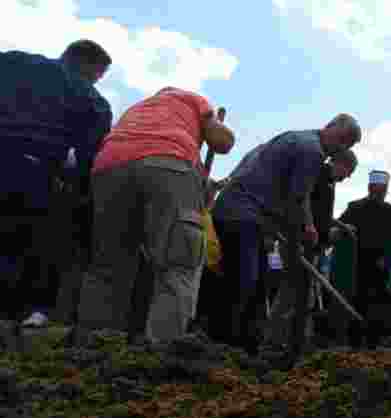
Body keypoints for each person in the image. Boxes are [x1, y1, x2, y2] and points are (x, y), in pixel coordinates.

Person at [77, 87, 235, 343]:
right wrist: (217, 127)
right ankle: (162, 355)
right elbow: (222, 142)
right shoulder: (193, 100)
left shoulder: (137, 110)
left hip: (108, 167)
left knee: (108, 268)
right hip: (167, 162)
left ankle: (93, 349)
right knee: (178, 264)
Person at [212, 116, 360, 351]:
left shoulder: (295, 137)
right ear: (329, 127)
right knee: (245, 282)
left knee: (257, 283)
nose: (340, 148)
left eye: (346, 145)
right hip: (242, 214)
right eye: (341, 140)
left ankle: (246, 347)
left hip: (241, 212)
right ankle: (223, 345)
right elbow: (296, 201)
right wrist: (297, 239)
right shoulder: (311, 150)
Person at [0, 40, 113, 329]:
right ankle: (22, 319)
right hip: (34, 170)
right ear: (92, 69)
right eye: (98, 76)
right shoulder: (92, 99)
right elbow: (90, 156)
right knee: (31, 241)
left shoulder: (14, 61)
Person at [339, 169, 391, 349]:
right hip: (357, 264)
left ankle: (373, 344)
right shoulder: (354, 207)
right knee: (356, 302)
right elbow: (341, 228)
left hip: (378, 266)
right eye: (377, 189)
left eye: (382, 190)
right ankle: (355, 344)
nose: (380, 193)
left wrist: (385, 258)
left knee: (376, 306)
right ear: (370, 188)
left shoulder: (389, 210)